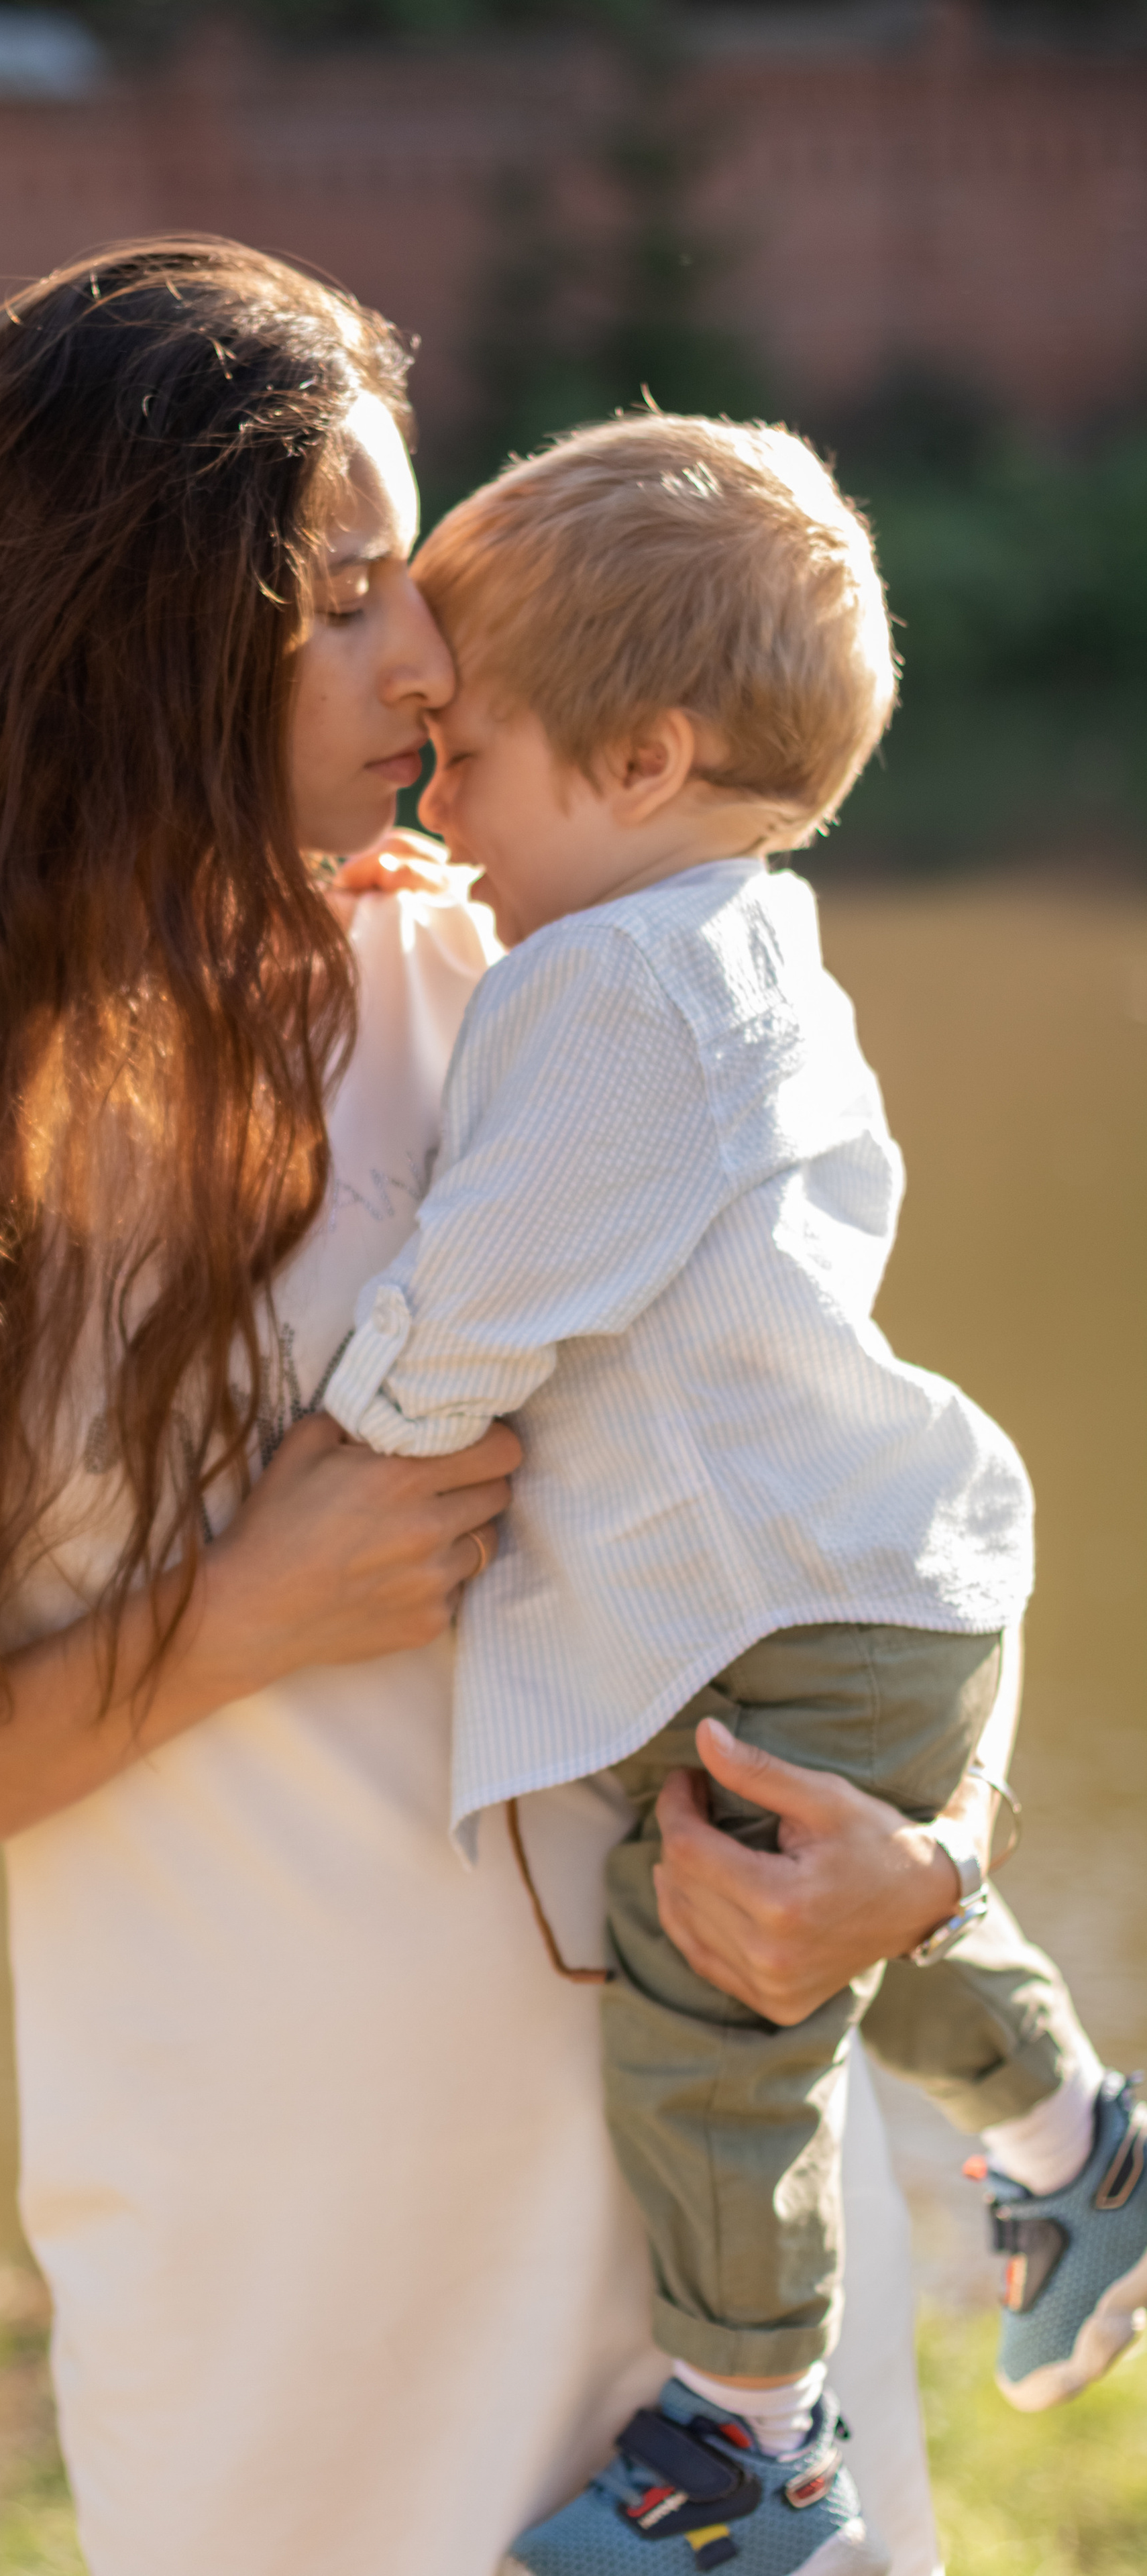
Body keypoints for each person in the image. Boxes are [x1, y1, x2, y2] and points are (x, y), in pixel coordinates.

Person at [0, 242, 991, 2576]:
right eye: (340, 602)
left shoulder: (539, 979)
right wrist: (226, 1622)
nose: (431, 662)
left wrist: (926, 1864)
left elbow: (868, 1497)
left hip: (715, 2312)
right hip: (289, 2330)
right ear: (111, 636)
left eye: (410, 586)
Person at [321, 417, 1146, 2575]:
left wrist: (355, 1425)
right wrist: (463, 910)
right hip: (856, 1586)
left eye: (468, 760)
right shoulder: (718, 934)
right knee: (833, 1931)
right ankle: (1080, 2147)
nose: (434, 802)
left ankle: (754, 2452)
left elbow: (494, 1283)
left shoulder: (613, 993)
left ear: (642, 758)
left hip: (788, 1607)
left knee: (711, 2003)